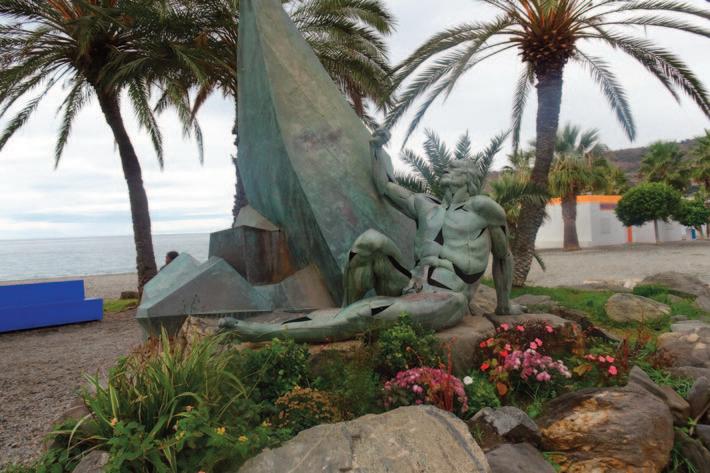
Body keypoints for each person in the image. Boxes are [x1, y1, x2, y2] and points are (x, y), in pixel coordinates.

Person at [220, 128, 522, 343]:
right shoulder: (425, 206)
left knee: (368, 313)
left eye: (454, 167)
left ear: (468, 177)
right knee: (369, 242)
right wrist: (376, 149)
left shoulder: (482, 209)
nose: (447, 168)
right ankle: (344, 312)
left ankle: (267, 333)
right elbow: (386, 186)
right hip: (411, 286)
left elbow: (503, 256)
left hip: (448, 297)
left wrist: (504, 306)